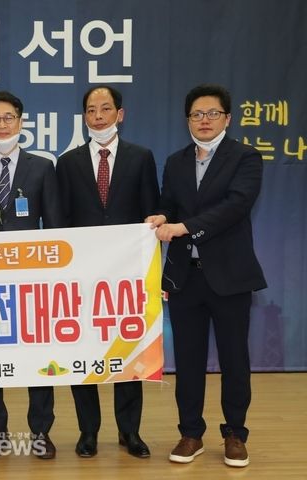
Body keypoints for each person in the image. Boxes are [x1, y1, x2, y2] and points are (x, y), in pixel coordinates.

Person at [146, 84, 266, 468]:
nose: (204, 120)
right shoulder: (176, 161)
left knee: (234, 360)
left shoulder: (245, 157)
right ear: (188, 120)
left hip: (230, 276)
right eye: (196, 114)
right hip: (185, 278)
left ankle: (235, 434)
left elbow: (235, 206)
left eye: (212, 113)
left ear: (227, 118)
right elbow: (169, 205)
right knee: (188, 361)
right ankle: (190, 433)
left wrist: (183, 227)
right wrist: (162, 217)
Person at [56, 85, 159, 459]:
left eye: (105, 109)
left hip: (127, 276)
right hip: (82, 276)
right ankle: (88, 431)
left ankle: (130, 432)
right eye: (90, 110)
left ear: (120, 114)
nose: (97, 116)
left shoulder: (141, 157)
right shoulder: (67, 163)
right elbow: (61, 221)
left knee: (127, 352)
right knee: (83, 353)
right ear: (84, 116)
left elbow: (151, 213)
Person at [0, 90, 62, 459]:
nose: (2, 124)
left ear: (20, 122)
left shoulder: (42, 167)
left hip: (32, 281)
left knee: (38, 359)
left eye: (8, 118)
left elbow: (54, 225)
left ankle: (41, 431)